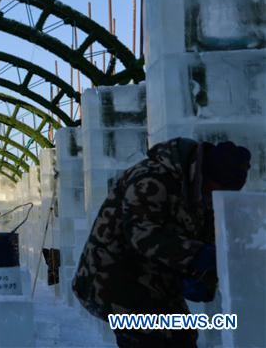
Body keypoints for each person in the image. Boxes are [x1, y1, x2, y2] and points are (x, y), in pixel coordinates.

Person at [73, 138, 251, 348]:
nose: (215, 199)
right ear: (205, 175)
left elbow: (208, 240)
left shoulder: (203, 194)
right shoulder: (152, 177)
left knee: (183, 335)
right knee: (151, 338)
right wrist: (197, 256)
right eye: (215, 190)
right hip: (110, 278)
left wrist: (205, 278)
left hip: (154, 278)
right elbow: (142, 233)